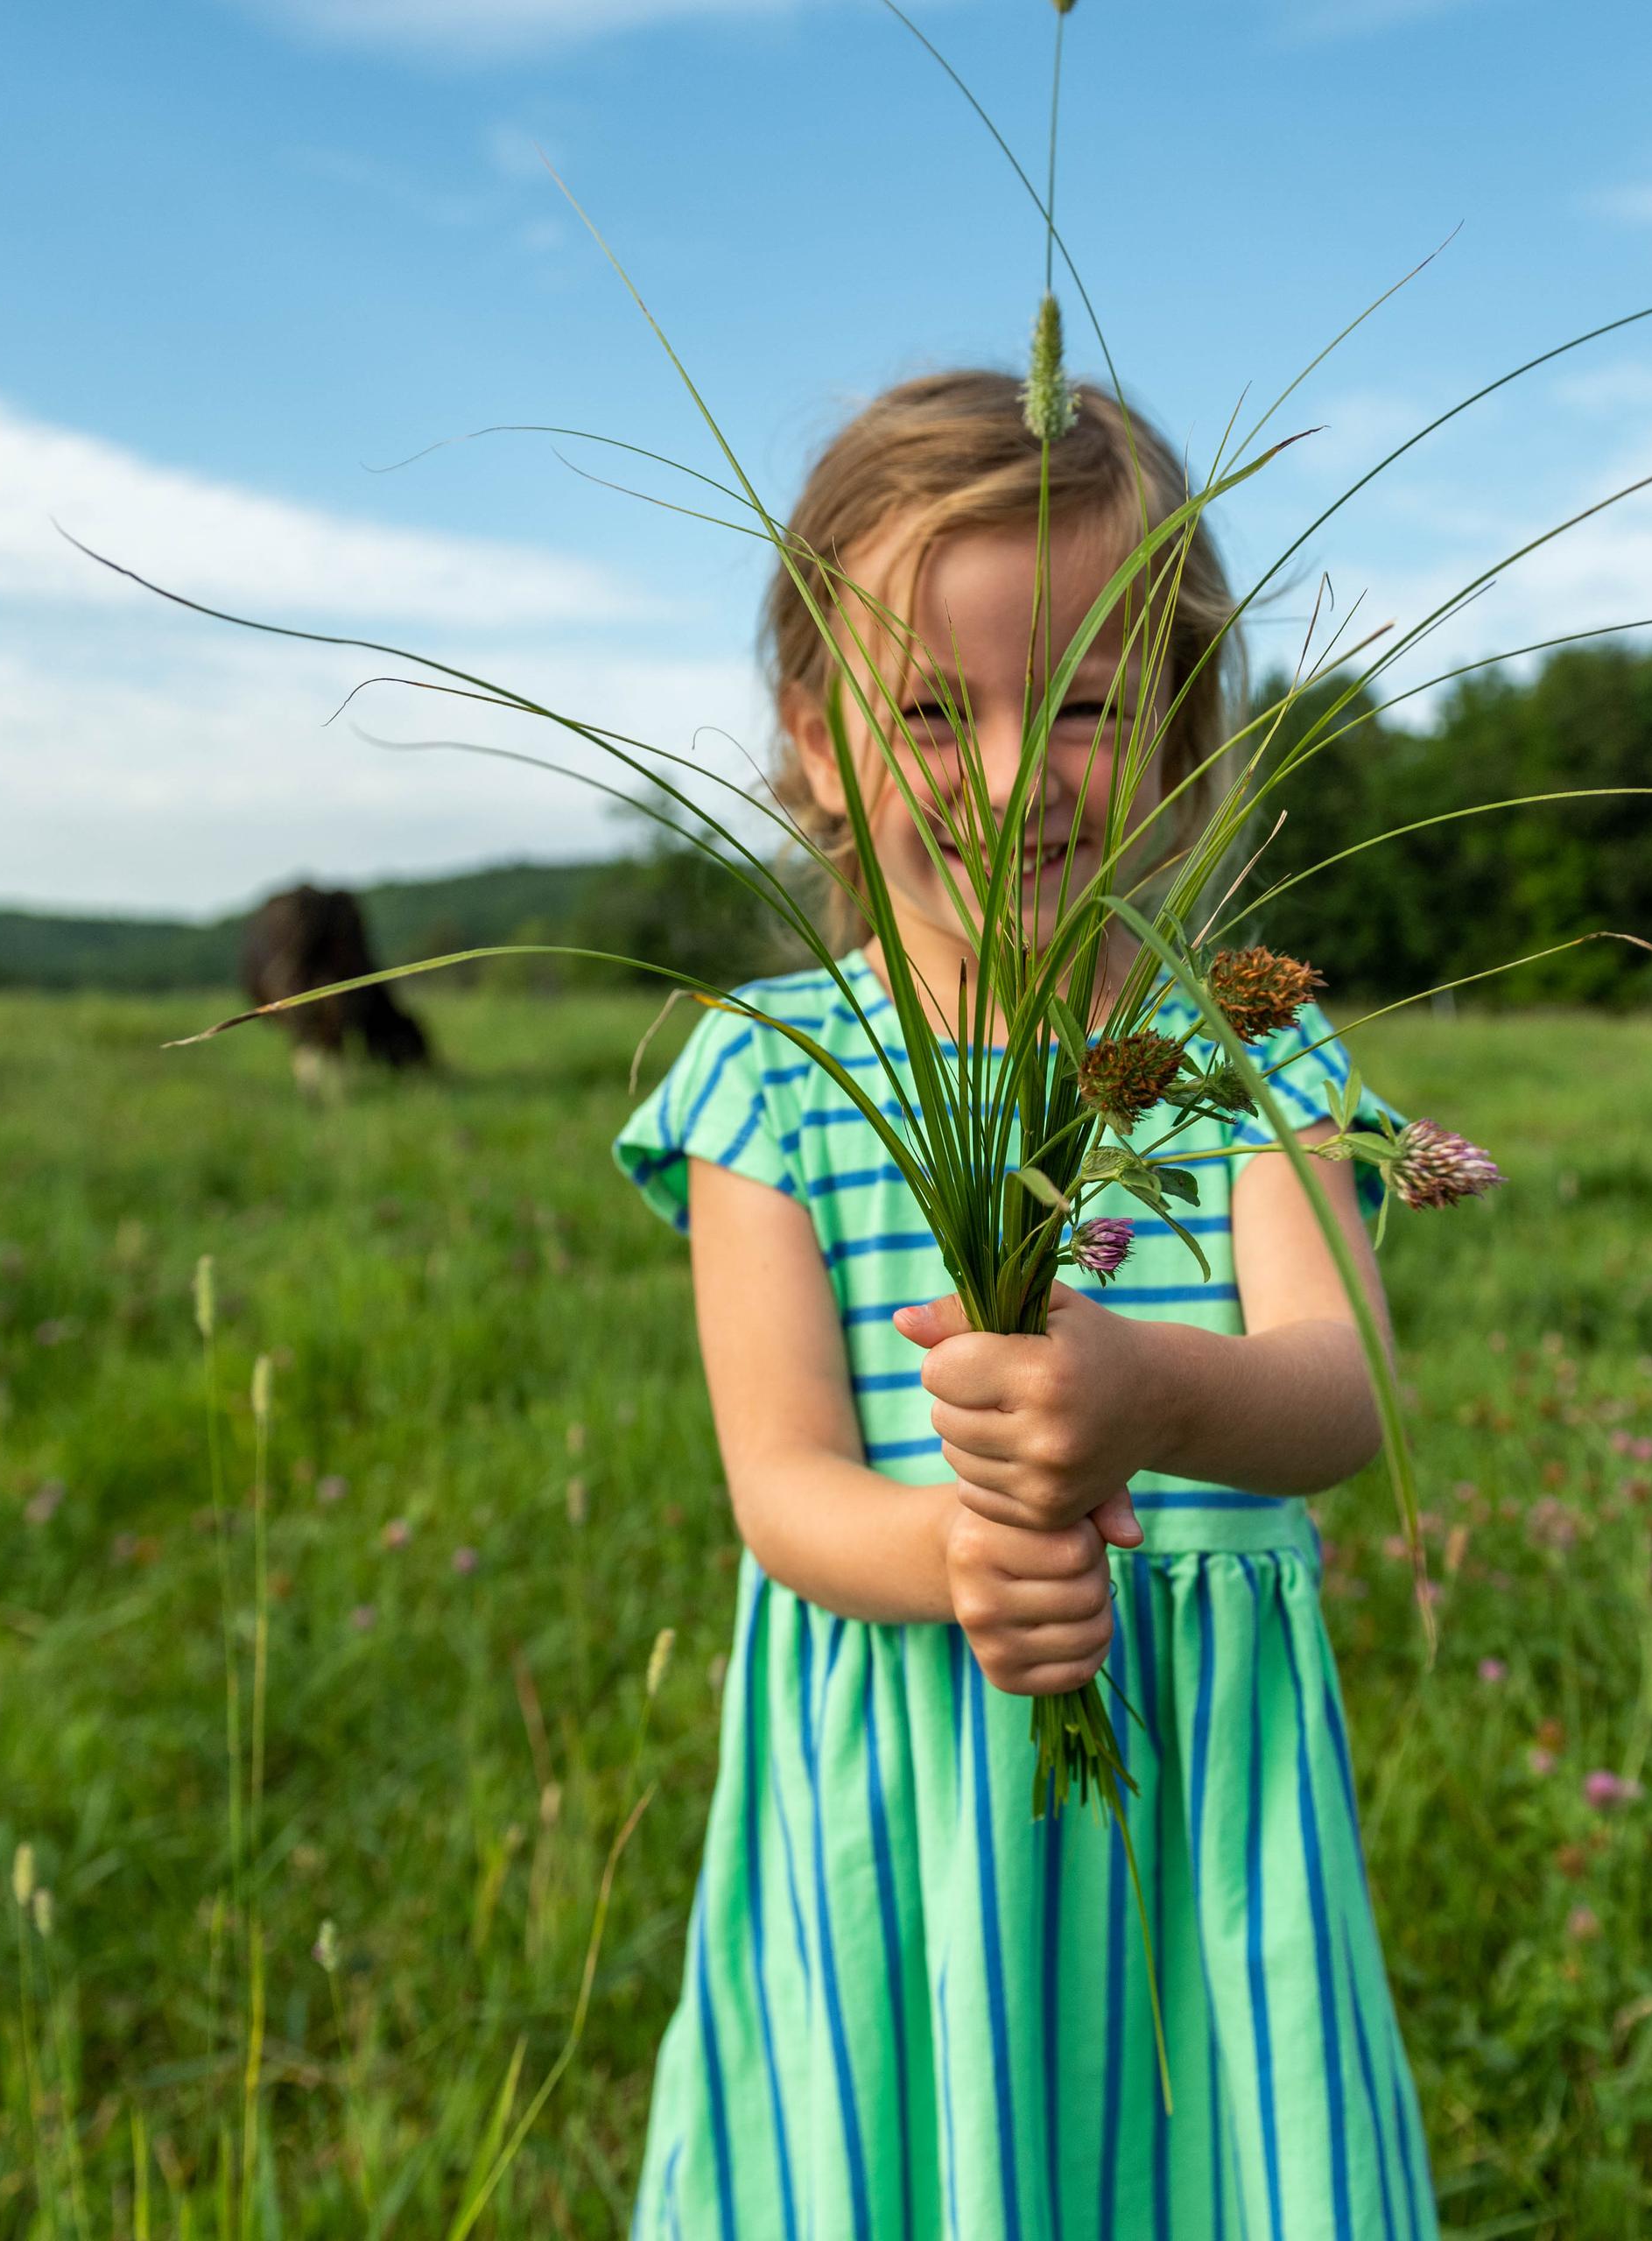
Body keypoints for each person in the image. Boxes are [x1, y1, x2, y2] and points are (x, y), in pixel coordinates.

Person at [615, 369, 1438, 2238]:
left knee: (1220, 2160)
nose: (1009, 779)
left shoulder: (1240, 1030)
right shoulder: (767, 1069)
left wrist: (1151, 1391)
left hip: (1199, 1784)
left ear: (1181, 727)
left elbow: (1346, 1384)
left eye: (1082, 704)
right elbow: (782, 1482)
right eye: (930, 708)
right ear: (818, 740)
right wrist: (956, 1552)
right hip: (909, 1773)